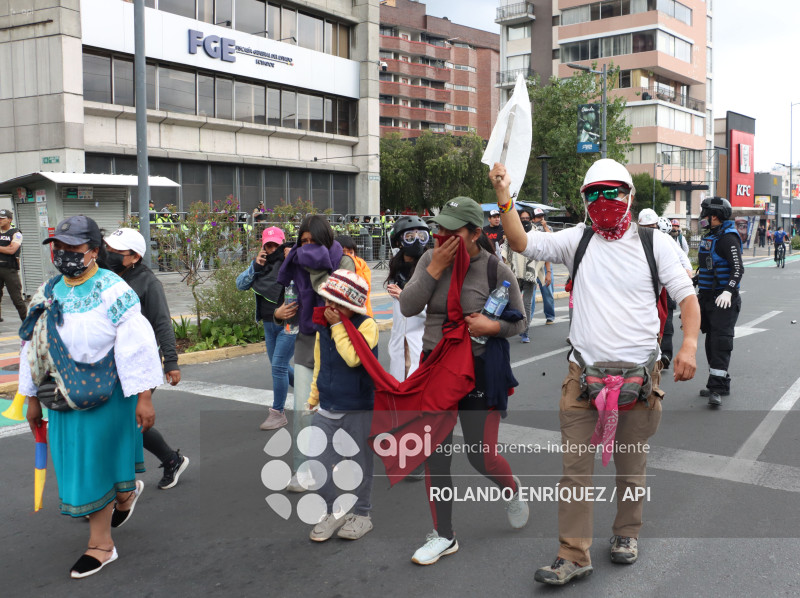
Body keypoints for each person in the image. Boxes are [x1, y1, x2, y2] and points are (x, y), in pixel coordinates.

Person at [492, 159, 700, 586]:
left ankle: (626, 534)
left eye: (612, 192)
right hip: (582, 381)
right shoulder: (575, 240)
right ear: (584, 201)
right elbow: (519, 241)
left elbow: (687, 298)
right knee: (574, 471)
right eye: (594, 194)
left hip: (639, 382)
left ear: (630, 196)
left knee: (631, 466)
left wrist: (690, 345)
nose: (604, 201)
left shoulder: (654, 244)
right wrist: (503, 195)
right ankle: (573, 553)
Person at [20, 215, 163, 579]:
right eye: (59, 247)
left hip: (106, 396)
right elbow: (32, 346)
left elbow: (138, 345)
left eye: (73, 248)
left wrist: (144, 396)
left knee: (92, 466)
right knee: (76, 465)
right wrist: (31, 397)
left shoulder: (113, 289)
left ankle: (101, 545)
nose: (64, 254)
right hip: (62, 398)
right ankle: (123, 495)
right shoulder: (49, 290)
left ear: (94, 252)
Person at [399, 196, 530, 566]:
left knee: (480, 456)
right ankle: (444, 536)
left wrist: (493, 326)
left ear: (474, 234)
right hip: (436, 368)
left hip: (479, 370)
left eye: (450, 231)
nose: (440, 236)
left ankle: (511, 487)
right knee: (435, 456)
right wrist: (434, 269)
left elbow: (519, 320)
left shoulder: (494, 269)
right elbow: (409, 306)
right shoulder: (430, 259)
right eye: (438, 228)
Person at [102, 228, 189, 489]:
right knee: (122, 421)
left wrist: (171, 362)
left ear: (134, 257)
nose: (109, 254)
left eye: (117, 252)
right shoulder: (105, 277)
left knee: (126, 422)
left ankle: (117, 490)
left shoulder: (147, 283)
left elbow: (162, 323)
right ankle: (171, 459)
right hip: (111, 363)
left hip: (140, 362)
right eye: (108, 249)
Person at [276, 215, 355, 492]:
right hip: (307, 343)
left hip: (336, 344)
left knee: (335, 412)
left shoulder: (343, 262)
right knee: (303, 412)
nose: (307, 247)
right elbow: (284, 299)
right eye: (303, 242)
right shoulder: (295, 263)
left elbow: (340, 300)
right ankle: (303, 470)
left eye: (314, 242)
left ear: (327, 240)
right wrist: (279, 313)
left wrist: (317, 267)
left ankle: (340, 464)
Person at [305, 270, 378, 542]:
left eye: (337, 304)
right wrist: (314, 396)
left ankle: (362, 514)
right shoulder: (322, 326)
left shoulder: (367, 325)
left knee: (360, 463)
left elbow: (353, 359)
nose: (329, 309)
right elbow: (319, 363)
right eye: (327, 302)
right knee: (315, 461)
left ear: (351, 305)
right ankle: (331, 512)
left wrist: (337, 327)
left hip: (358, 406)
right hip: (328, 404)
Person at [236, 226, 295, 430]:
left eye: (275, 245)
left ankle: (277, 412)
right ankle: (314, 391)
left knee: (278, 366)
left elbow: (302, 285)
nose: (271, 249)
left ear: (282, 243)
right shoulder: (261, 266)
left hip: (289, 323)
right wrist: (255, 266)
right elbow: (240, 284)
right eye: (267, 245)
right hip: (269, 323)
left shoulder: (292, 259)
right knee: (280, 367)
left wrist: (293, 258)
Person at [696, 197, 744, 407]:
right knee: (710, 340)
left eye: (705, 214)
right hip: (706, 298)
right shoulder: (712, 236)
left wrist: (728, 291)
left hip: (723, 300)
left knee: (720, 342)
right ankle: (721, 383)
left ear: (715, 216)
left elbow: (738, 269)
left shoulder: (728, 238)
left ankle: (716, 388)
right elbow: (709, 267)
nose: (703, 218)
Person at [386, 216, 429, 379]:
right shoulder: (396, 271)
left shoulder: (430, 271)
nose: (417, 241)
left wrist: (404, 297)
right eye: (410, 237)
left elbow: (435, 310)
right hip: (398, 344)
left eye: (422, 236)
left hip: (420, 343)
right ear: (398, 242)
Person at [502, 207, 537, 342]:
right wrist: (504, 270)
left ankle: (525, 332)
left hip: (530, 274)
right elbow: (505, 252)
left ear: (531, 219)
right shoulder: (512, 232)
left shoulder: (536, 233)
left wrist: (548, 272)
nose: (525, 221)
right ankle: (511, 326)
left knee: (527, 304)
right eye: (522, 219)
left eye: (527, 219)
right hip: (515, 273)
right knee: (513, 302)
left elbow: (544, 254)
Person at [0, 209, 28, 321]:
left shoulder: (16, 233)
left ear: (9, 220)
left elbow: (12, 250)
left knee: (17, 299)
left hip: (9, 269)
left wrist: (5, 249)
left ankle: (26, 321)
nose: (0, 220)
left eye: (3, 218)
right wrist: (4, 248)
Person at [337, 235, 374, 316]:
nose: (347, 256)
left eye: (350, 252)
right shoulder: (335, 263)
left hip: (362, 310)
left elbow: (365, 284)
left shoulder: (361, 263)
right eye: (343, 252)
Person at [531, 208, 556, 325]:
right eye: (538, 217)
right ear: (533, 219)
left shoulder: (548, 228)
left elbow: (554, 241)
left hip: (546, 263)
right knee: (530, 293)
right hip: (533, 264)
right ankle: (528, 318)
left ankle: (550, 316)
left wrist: (545, 227)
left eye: (542, 216)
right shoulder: (530, 228)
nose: (541, 218)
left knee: (548, 292)